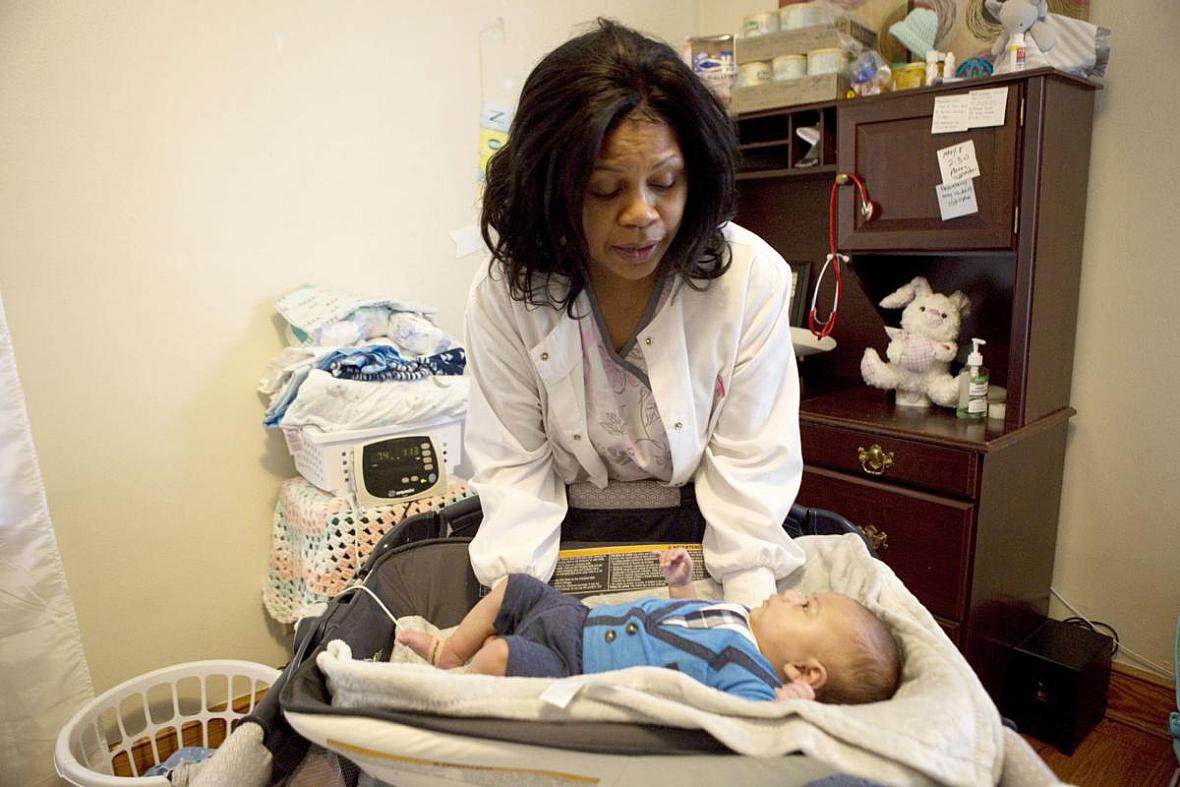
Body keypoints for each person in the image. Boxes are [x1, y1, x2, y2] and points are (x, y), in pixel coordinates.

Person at [465, 18, 805, 608]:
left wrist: (754, 615)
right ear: (550, 188)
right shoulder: (508, 293)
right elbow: (515, 470)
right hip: (562, 541)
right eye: (604, 190)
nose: (641, 215)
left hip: (703, 538)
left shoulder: (750, 280)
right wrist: (512, 603)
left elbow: (750, 470)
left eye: (665, 182)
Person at [397, 548, 901, 705]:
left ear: (804, 672)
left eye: (806, 606)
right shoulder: (737, 615)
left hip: (573, 666)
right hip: (579, 615)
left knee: (503, 658)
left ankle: (454, 686)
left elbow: (751, 732)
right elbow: (687, 615)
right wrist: (680, 585)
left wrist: (790, 714)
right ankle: (451, 648)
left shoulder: (750, 675)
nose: (790, 594)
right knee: (514, 586)